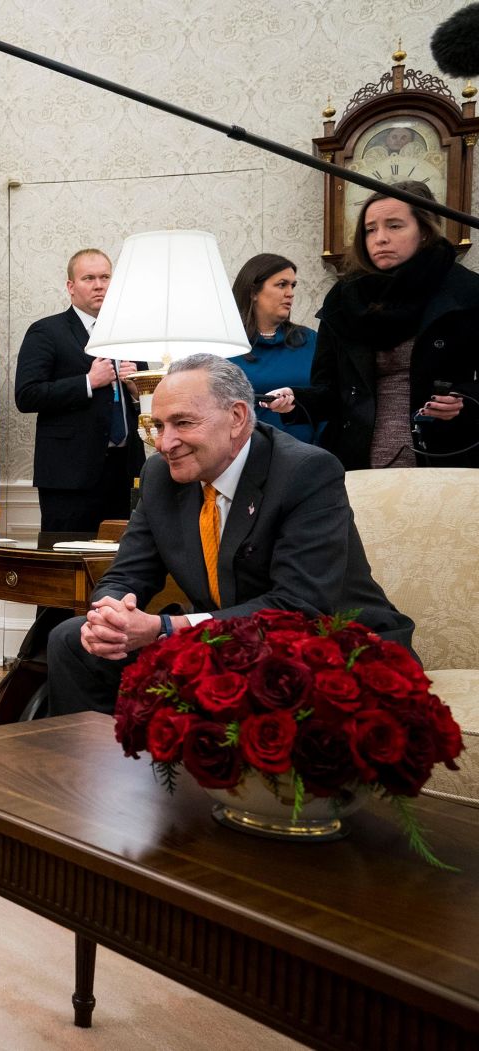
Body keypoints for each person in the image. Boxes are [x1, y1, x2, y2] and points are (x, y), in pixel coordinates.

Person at [45, 354, 413, 717]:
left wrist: (166, 628)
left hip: (327, 645)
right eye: (157, 425)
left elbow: (299, 607)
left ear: (236, 417)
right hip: (228, 643)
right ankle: (103, 772)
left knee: (229, 680)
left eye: (182, 423)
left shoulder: (306, 472)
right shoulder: (160, 476)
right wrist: (110, 617)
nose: (163, 443)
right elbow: (126, 574)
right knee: (72, 640)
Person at [265, 181, 479, 469]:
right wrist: (295, 399)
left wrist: (463, 399)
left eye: (394, 226)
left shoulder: (465, 292)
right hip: (356, 463)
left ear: (425, 232)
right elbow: (329, 391)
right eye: (370, 229)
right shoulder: (344, 299)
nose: (380, 238)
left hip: (446, 460)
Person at [14, 248, 145, 534]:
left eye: (105, 277)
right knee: (66, 563)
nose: (99, 285)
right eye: (89, 278)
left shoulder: (128, 333)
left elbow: (148, 405)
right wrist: (87, 382)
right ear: (71, 287)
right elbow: (26, 395)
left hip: (126, 471)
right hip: (69, 476)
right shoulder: (46, 331)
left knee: (121, 563)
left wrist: (137, 391)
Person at [228, 253, 319, 444]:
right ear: (253, 292)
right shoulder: (227, 345)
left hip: (309, 456)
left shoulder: (309, 340)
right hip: (245, 456)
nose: (290, 293)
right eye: (281, 284)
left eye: (292, 285)